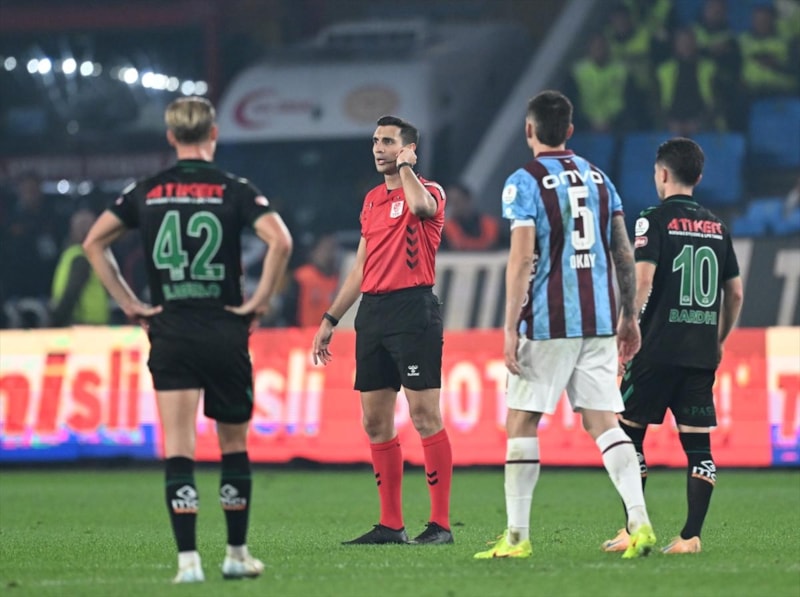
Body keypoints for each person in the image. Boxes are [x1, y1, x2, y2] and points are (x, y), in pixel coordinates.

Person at [82, 96, 293, 583]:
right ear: (213, 134)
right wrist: (260, 301)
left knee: (179, 448)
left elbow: (93, 242)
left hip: (171, 329)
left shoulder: (146, 191)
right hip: (224, 329)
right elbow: (280, 240)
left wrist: (129, 302)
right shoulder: (234, 189)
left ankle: (188, 563)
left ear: (171, 137)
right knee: (233, 446)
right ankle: (236, 555)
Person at [474, 90, 656, 560]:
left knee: (522, 419)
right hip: (599, 317)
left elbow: (521, 258)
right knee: (603, 422)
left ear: (529, 130)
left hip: (549, 318)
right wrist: (629, 315)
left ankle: (517, 538)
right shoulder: (600, 179)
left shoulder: (524, 181)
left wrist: (510, 326)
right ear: (570, 131)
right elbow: (623, 251)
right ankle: (640, 522)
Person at [311, 115, 453, 546]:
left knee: (424, 415)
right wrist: (331, 318)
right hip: (372, 313)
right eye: (375, 141)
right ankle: (391, 524)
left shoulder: (429, 191)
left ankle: (440, 525)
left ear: (408, 149)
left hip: (413, 310)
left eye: (388, 142)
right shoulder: (372, 200)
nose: (378, 148)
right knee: (375, 422)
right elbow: (360, 267)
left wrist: (406, 168)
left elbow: (422, 209)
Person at [601, 137, 744, 555]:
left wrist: (627, 327)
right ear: (698, 176)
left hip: (656, 348)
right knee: (698, 446)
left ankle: (633, 527)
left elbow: (643, 280)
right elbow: (735, 293)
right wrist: (718, 339)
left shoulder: (653, 219)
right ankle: (690, 536)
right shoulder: (718, 226)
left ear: (662, 173)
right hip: (700, 351)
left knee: (628, 436)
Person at [50, 209, 110, 326]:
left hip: (83, 322)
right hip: (90, 322)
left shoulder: (78, 256)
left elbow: (71, 293)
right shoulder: (89, 256)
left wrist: (56, 319)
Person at [283, 232, 341, 327]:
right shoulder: (302, 277)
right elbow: (288, 311)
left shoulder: (340, 280)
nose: (329, 254)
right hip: (304, 332)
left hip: (332, 333)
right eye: (325, 249)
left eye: (332, 249)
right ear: (314, 251)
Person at [441, 182, 503, 251]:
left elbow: (497, 246)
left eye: (457, 201)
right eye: (450, 203)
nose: (453, 206)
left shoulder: (489, 223)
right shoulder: (445, 229)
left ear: (468, 200)